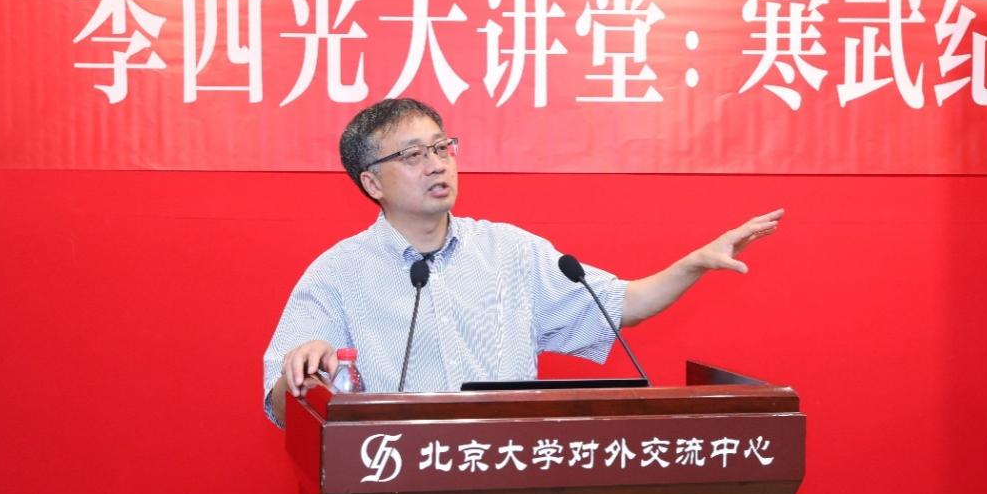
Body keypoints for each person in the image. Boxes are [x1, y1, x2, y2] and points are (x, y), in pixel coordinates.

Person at [263, 98, 782, 426]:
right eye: (414, 155)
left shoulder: (509, 252)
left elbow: (624, 305)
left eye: (442, 148)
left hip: (511, 481)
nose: (437, 164)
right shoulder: (338, 274)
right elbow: (283, 405)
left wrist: (694, 263)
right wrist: (302, 371)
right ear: (372, 182)